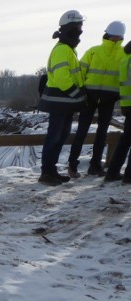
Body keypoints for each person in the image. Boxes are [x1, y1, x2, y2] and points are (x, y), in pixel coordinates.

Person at [68, 21, 126, 177]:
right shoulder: (99, 52)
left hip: (98, 96)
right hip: (96, 97)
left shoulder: (95, 51)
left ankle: (88, 166)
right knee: (89, 132)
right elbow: (81, 72)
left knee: (96, 133)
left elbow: (80, 72)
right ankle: (78, 165)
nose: (115, 38)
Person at [38, 10, 87, 186]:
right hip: (60, 102)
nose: (81, 30)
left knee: (60, 137)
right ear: (72, 28)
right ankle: (46, 172)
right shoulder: (62, 50)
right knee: (55, 137)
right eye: (79, 27)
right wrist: (78, 94)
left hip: (65, 104)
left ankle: (51, 171)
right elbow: (62, 78)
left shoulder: (68, 49)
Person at [104, 40, 131, 183]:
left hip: (127, 104)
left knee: (125, 141)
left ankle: (112, 172)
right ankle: (128, 176)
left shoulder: (125, 59)